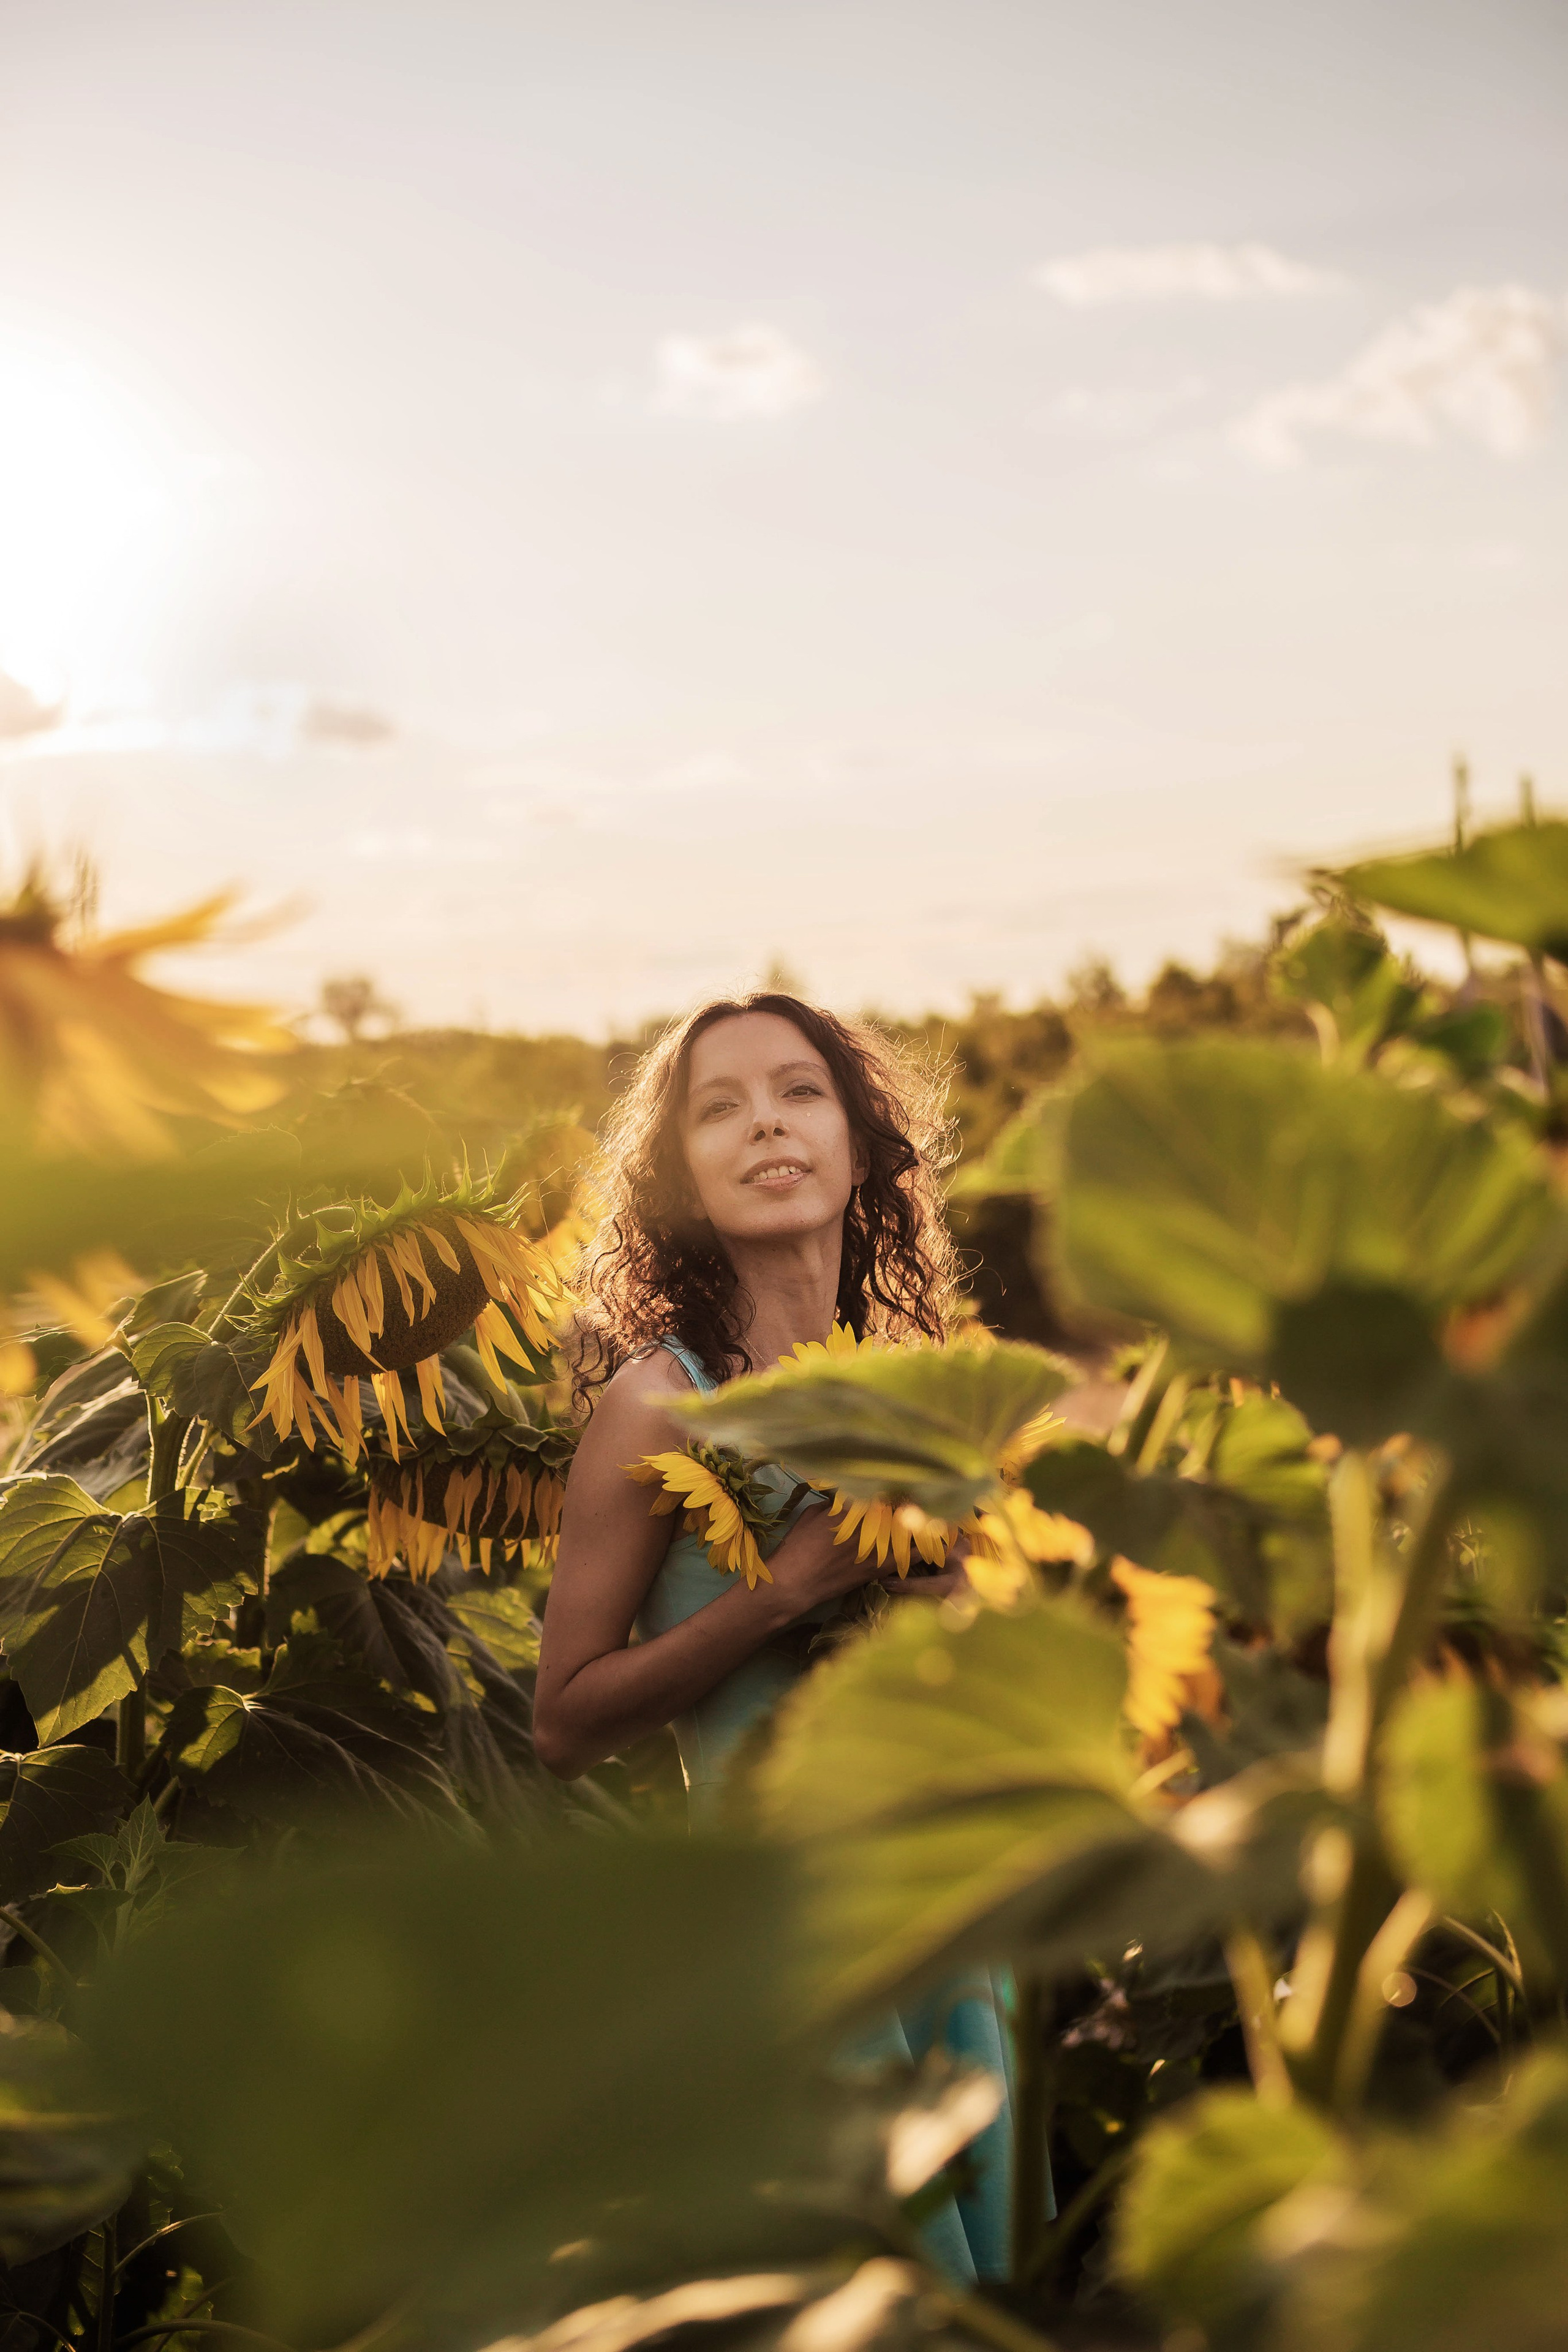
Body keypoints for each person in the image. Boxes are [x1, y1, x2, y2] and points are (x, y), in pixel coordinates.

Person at [533, 990, 1023, 2283]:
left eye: (800, 1092)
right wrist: (786, 1587)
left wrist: (947, 1599)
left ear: (862, 1147)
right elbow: (563, 1723)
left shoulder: (922, 1390)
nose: (766, 1125)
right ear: (681, 1176)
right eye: (720, 1107)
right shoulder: (659, 1407)